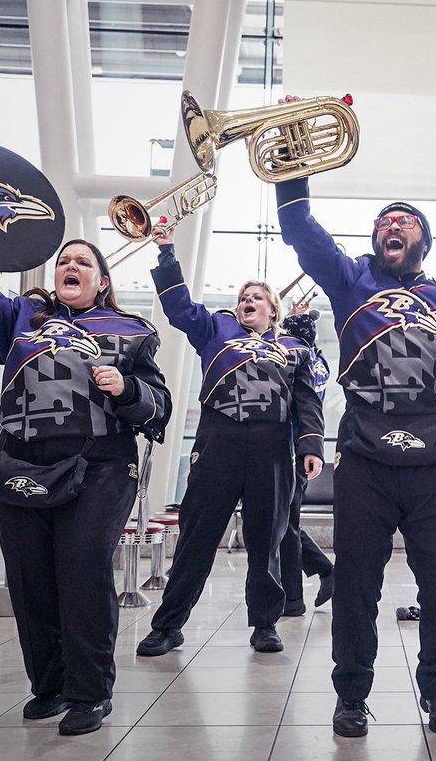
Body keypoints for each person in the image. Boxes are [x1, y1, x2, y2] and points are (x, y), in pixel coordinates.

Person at [274, 148, 436, 738]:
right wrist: (291, 161)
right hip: (363, 458)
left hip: (433, 464)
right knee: (357, 585)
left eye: (407, 220)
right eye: (385, 219)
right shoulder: (349, 279)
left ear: (425, 242)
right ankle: (350, 696)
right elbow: (298, 229)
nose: (394, 224)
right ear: (373, 238)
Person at [0, 196, 172, 736]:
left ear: (101, 281)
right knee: (29, 579)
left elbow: (159, 407)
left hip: (99, 466)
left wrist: (129, 388)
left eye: (83, 263)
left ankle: (90, 692)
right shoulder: (20, 318)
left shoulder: (132, 331)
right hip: (22, 463)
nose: (70, 267)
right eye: (64, 261)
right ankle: (48, 685)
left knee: (81, 568)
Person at [137, 225, 323, 656]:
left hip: (273, 446)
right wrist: (167, 251)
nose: (247, 302)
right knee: (196, 538)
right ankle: (168, 625)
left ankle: (264, 624)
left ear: (273, 311)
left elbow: (306, 400)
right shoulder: (217, 330)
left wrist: (310, 447)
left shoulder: (295, 347)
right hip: (218, 440)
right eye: (243, 297)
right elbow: (179, 307)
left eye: (257, 297)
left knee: (267, 540)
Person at [279, 308, 334, 616]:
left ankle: (292, 599)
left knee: (285, 524)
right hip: (302, 447)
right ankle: (324, 572)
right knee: (284, 522)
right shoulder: (320, 360)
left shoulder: (301, 362)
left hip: (292, 446)